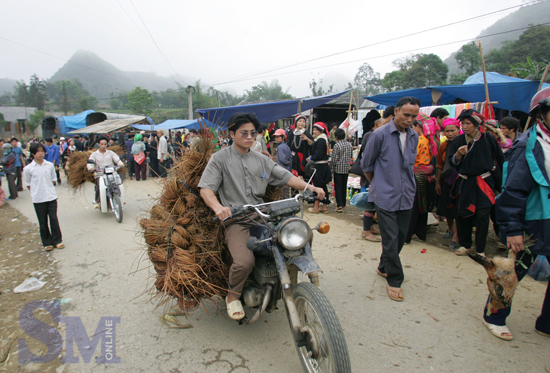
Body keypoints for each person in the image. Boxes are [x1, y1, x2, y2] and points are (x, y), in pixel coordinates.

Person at [198, 112, 326, 320]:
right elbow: (206, 189)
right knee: (244, 261)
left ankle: (291, 276)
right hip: (237, 219)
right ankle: (233, 296)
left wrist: (311, 187)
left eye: (253, 133)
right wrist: (218, 208)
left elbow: (286, 177)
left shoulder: (261, 159)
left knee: (301, 233)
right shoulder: (219, 159)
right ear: (232, 134)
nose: (250, 137)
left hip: (262, 215)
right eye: (244, 133)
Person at [481, 86, 550, 341]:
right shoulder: (526, 146)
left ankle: (546, 323)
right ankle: (494, 316)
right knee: (510, 275)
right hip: (531, 222)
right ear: (541, 113)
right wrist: (513, 230)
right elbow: (513, 190)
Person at [362, 97, 420, 302]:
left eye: (414, 116)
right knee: (390, 237)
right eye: (406, 115)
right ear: (396, 111)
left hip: (407, 194)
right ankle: (395, 280)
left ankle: (383, 266)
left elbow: (409, 166)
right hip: (385, 195)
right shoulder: (379, 135)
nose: (410, 119)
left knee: (401, 237)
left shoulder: (414, 136)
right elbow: (367, 165)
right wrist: (378, 184)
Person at [447, 109, 505, 257]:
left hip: (484, 182)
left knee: (482, 216)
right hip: (466, 182)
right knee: (463, 215)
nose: (465, 126)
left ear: (476, 125)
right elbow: (452, 161)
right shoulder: (458, 141)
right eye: (463, 123)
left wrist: (501, 179)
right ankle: (466, 245)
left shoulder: (487, 139)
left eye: (468, 123)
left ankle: (480, 250)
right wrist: (458, 154)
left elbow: (499, 158)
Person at [24, 143, 64, 251]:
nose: (40, 153)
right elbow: (28, 184)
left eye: (42, 151)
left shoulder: (49, 165)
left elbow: (53, 180)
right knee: (42, 221)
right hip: (38, 199)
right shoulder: (28, 169)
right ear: (33, 154)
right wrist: (36, 192)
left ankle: (57, 240)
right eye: (37, 152)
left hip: (51, 197)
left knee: (53, 218)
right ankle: (47, 242)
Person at [405, 114, 438, 244]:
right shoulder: (430, 140)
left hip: (416, 174)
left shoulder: (418, 140)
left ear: (418, 127)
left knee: (411, 207)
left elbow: (410, 158)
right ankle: (420, 233)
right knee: (422, 206)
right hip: (424, 176)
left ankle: (407, 235)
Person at [435, 118, 461, 249]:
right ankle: (450, 229)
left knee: (458, 208)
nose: (450, 134)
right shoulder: (444, 146)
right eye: (447, 131)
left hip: (461, 180)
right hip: (447, 179)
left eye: (453, 130)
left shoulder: (464, 143)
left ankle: (456, 235)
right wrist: (438, 182)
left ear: (458, 129)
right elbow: (439, 165)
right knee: (448, 206)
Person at [359, 117, 384, 242]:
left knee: (373, 202)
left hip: (377, 176)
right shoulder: (373, 135)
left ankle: (370, 227)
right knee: (370, 201)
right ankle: (366, 230)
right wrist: (372, 179)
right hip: (373, 176)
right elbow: (367, 161)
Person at [87, 136, 124, 209]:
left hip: (112, 173)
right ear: (98, 144)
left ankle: (121, 199)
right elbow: (90, 163)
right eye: (102, 144)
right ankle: (97, 201)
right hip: (100, 174)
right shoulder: (94, 154)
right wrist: (91, 168)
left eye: (105, 144)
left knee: (119, 183)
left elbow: (117, 160)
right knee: (99, 186)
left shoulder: (110, 153)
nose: (103, 146)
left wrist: (121, 164)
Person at [307, 122, 332, 213]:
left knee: (318, 186)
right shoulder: (323, 139)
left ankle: (316, 207)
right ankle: (324, 206)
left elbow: (318, 154)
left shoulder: (320, 140)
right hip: (323, 165)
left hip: (319, 166)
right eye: (313, 130)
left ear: (321, 131)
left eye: (316, 130)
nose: (314, 131)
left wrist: (310, 158)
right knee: (323, 186)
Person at [331, 128, 353, 213]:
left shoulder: (337, 145)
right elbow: (351, 155)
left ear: (336, 137)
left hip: (338, 169)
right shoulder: (349, 145)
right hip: (346, 168)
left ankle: (339, 204)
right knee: (344, 186)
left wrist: (332, 169)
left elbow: (334, 159)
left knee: (338, 187)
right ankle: (343, 203)